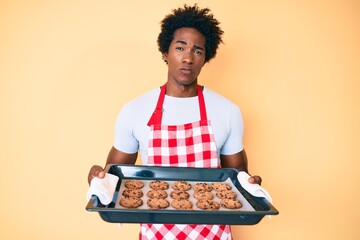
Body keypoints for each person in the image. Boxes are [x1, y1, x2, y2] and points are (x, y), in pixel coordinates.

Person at [88, 4, 262, 240]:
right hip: (156, 233)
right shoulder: (135, 110)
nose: (188, 58)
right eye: (180, 47)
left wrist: (251, 184)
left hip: (213, 234)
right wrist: (98, 178)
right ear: (165, 52)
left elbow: (238, 176)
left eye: (198, 50)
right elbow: (113, 176)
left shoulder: (228, 111)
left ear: (205, 58)